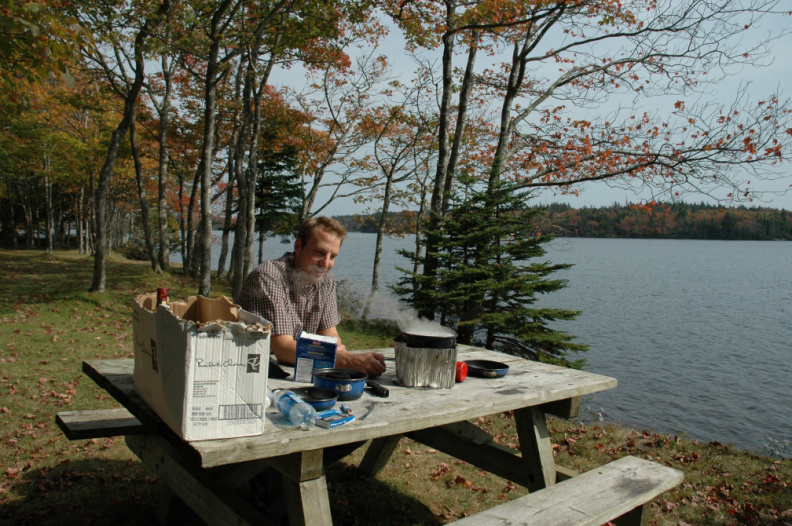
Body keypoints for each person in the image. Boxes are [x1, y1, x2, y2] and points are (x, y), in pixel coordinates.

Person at [239, 216, 386, 377]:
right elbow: (282, 348)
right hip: (252, 371)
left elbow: (330, 335)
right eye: (319, 253)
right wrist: (342, 359)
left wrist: (341, 353)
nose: (326, 263)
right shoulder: (268, 276)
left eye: (333, 256)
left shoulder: (325, 280)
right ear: (298, 246)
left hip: (293, 371)